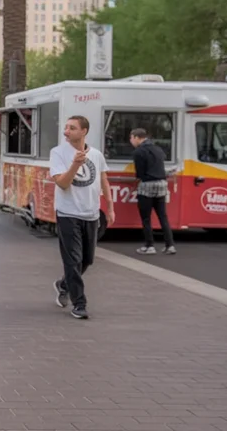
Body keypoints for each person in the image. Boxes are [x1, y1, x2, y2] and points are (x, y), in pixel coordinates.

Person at [49, 116, 114, 320]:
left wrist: (110, 208)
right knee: (73, 260)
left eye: (72, 128)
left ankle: (64, 284)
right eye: (66, 128)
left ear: (84, 131)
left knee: (87, 260)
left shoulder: (96, 155)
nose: (66, 131)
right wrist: (75, 165)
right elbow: (62, 183)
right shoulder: (58, 153)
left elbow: (103, 180)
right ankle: (79, 303)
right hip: (68, 213)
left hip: (91, 214)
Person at [130, 128, 176, 255]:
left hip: (147, 187)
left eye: (131, 138)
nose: (131, 141)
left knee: (146, 218)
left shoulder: (138, 152)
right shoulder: (158, 149)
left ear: (137, 137)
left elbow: (139, 173)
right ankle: (170, 245)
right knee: (163, 216)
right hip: (161, 185)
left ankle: (149, 245)